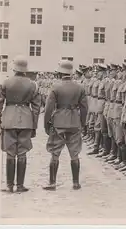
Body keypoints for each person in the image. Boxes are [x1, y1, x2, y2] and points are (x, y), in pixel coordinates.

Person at [42, 60, 88, 191]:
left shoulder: (55, 87)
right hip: (74, 122)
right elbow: (84, 108)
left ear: (60, 72)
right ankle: (75, 183)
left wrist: (46, 124)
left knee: (55, 153)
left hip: (59, 122)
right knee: (74, 154)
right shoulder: (80, 87)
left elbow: (49, 108)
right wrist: (82, 123)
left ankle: (52, 183)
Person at [0, 55, 42, 193]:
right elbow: (36, 108)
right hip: (26, 120)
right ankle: (20, 185)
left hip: (9, 119)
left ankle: (9, 185)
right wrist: (34, 126)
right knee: (22, 152)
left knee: (10, 153)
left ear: (14, 68)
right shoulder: (33, 85)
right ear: (25, 69)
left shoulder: (5, 82)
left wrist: (0, 120)